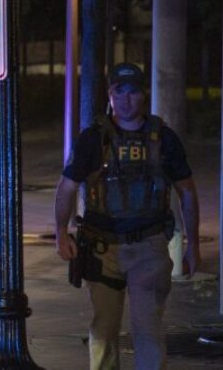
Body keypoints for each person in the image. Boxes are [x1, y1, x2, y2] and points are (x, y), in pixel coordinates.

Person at [54, 62, 200, 370]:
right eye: (120, 92)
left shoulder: (164, 139)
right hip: (101, 248)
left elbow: (187, 191)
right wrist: (61, 232)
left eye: (133, 92)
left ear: (143, 95)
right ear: (110, 95)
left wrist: (192, 245)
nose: (127, 99)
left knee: (147, 329)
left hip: (149, 246)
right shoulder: (94, 139)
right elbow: (67, 187)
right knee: (103, 331)